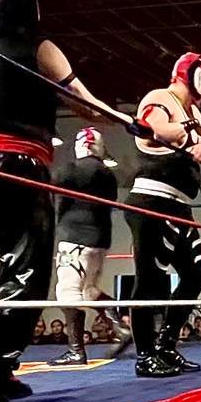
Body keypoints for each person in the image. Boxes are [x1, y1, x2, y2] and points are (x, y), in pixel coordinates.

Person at [0, 0, 125, 402]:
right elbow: (83, 102)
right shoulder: (40, 47)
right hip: (19, 168)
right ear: (32, 15)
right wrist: (125, 121)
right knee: (26, 278)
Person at [125, 52, 201, 377]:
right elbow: (156, 128)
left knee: (196, 276)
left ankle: (166, 346)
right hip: (152, 201)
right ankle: (145, 355)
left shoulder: (190, 109)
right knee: (150, 281)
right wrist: (191, 134)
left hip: (178, 205)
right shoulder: (161, 98)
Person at [47, 127, 130, 366]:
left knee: (67, 292)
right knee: (88, 291)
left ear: (81, 145)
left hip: (74, 238)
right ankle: (120, 327)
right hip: (100, 240)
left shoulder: (70, 170)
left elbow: (57, 203)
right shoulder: (108, 175)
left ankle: (76, 351)